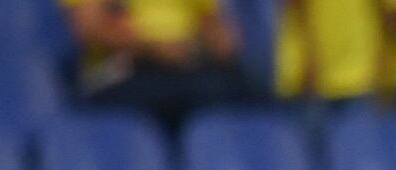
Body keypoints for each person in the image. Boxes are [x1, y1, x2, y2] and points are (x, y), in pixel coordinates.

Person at [60, 0, 260, 132]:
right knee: (202, 92)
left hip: (185, 70)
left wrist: (216, 40)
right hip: (122, 71)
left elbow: (212, 25)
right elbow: (89, 28)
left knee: (246, 91)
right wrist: (152, 48)